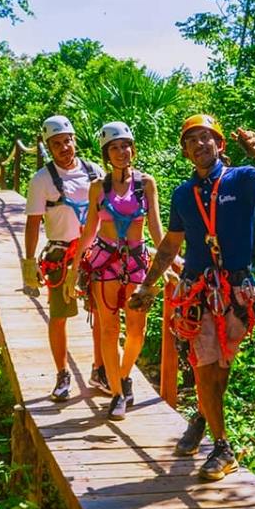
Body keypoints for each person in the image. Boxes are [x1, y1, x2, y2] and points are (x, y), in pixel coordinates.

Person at [130, 115, 255, 480]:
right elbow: (171, 244)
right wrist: (148, 285)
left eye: (206, 138)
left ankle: (202, 415)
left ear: (220, 144)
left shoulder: (243, 178)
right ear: (186, 152)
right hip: (198, 288)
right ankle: (222, 447)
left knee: (221, 367)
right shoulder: (183, 194)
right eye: (192, 141)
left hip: (234, 289)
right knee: (204, 366)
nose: (200, 144)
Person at [72, 122, 164, 421]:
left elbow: (156, 229)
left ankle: (123, 376)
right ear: (106, 153)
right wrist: (74, 270)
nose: (121, 152)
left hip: (137, 264)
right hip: (105, 263)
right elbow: (89, 232)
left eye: (125, 145)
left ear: (133, 149)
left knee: (137, 331)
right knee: (110, 329)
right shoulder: (98, 187)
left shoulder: (145, 184)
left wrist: (172, 263)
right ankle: (116, 393)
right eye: (114, 147)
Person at [23, 115, 104, 401]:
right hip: (61, 253)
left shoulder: (94, 172)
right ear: (49, 146)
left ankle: (100, 368)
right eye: (56, 144)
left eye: (66, 141)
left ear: (75, 140)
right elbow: (33, 223)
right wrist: (29, 263)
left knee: (101, 312)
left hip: (95, 252)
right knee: (59, 316)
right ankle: (62, 374)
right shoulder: (41, 180)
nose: (63, 148)